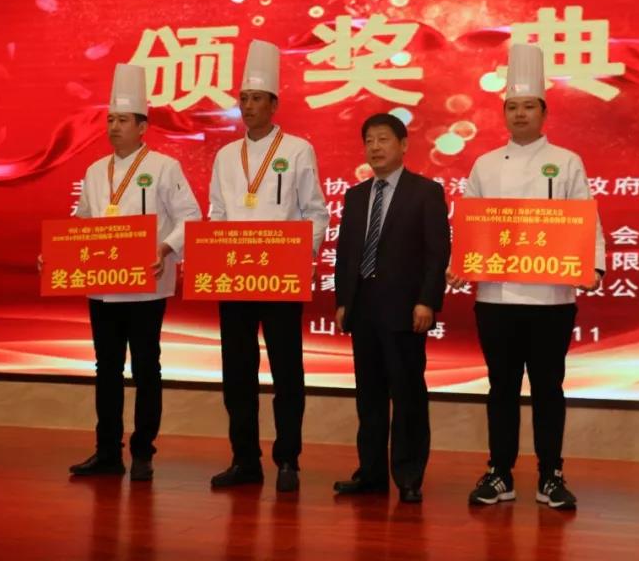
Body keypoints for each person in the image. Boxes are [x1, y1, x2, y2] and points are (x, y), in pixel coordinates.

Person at [458, 44, 605, 510]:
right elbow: (471, 223)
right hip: (496, 298)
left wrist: (593, 265)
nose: (519, 114)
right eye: (512, 107)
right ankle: (499, 473)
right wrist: (460, 261)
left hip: (551, 299)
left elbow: (585, 217)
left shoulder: (567, 161)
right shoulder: (484, 165)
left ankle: (551, 475)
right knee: (500, 388)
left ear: (544, 112)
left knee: (547, 389)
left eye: (528, 106)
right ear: (504, 113)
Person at [63, 62, 202, 481]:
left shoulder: (164, 167)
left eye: (122, 120)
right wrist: (59, 254)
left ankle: (143, 452)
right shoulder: (94, 171)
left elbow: (190, 217)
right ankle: (107, 452)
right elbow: (82, 221)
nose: (114, 127)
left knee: (145, 369)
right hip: (103, 287)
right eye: (110, 120)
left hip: (146, 287)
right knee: (106, 369)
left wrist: (165, 247)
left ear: (142, 127)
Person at [207, 39, 329, 493]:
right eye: (243, 99)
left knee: (286, 371)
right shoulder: (225, 155)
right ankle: (244, 460)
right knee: (237, 372)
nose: (248, 106)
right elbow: (217, 214)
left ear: (274, 104)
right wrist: (209, 256)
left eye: (257, 98)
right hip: (234, 275)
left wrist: (303, 257)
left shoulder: (297, 149)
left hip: (280, 275)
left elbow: (315, 212)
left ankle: (288, 459)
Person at [332, 113, 450, 504]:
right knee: (369, 397)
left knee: (408, 394)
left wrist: (427, 300)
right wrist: (343, 301)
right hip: (363, 309)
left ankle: (409, 475)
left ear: (403, 145)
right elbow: (346, 253)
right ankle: (370, 474)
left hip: (405, 311)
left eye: (383, 139)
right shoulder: (356, 195)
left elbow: (437, 253)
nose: (375, 147)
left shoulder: (425, 192)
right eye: (369, 141)